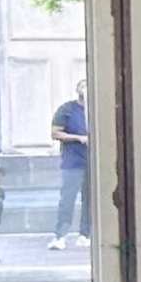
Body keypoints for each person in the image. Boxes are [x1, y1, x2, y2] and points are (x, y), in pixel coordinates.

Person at [50, 90, 91, 248]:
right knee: (67, 199)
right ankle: (60, 236)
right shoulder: (67, 109)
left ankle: (85, 234)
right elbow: (55, 133)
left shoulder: (95, 109)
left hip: (92, 162)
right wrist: (78, 138)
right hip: (73, 163)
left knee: (90, 200)